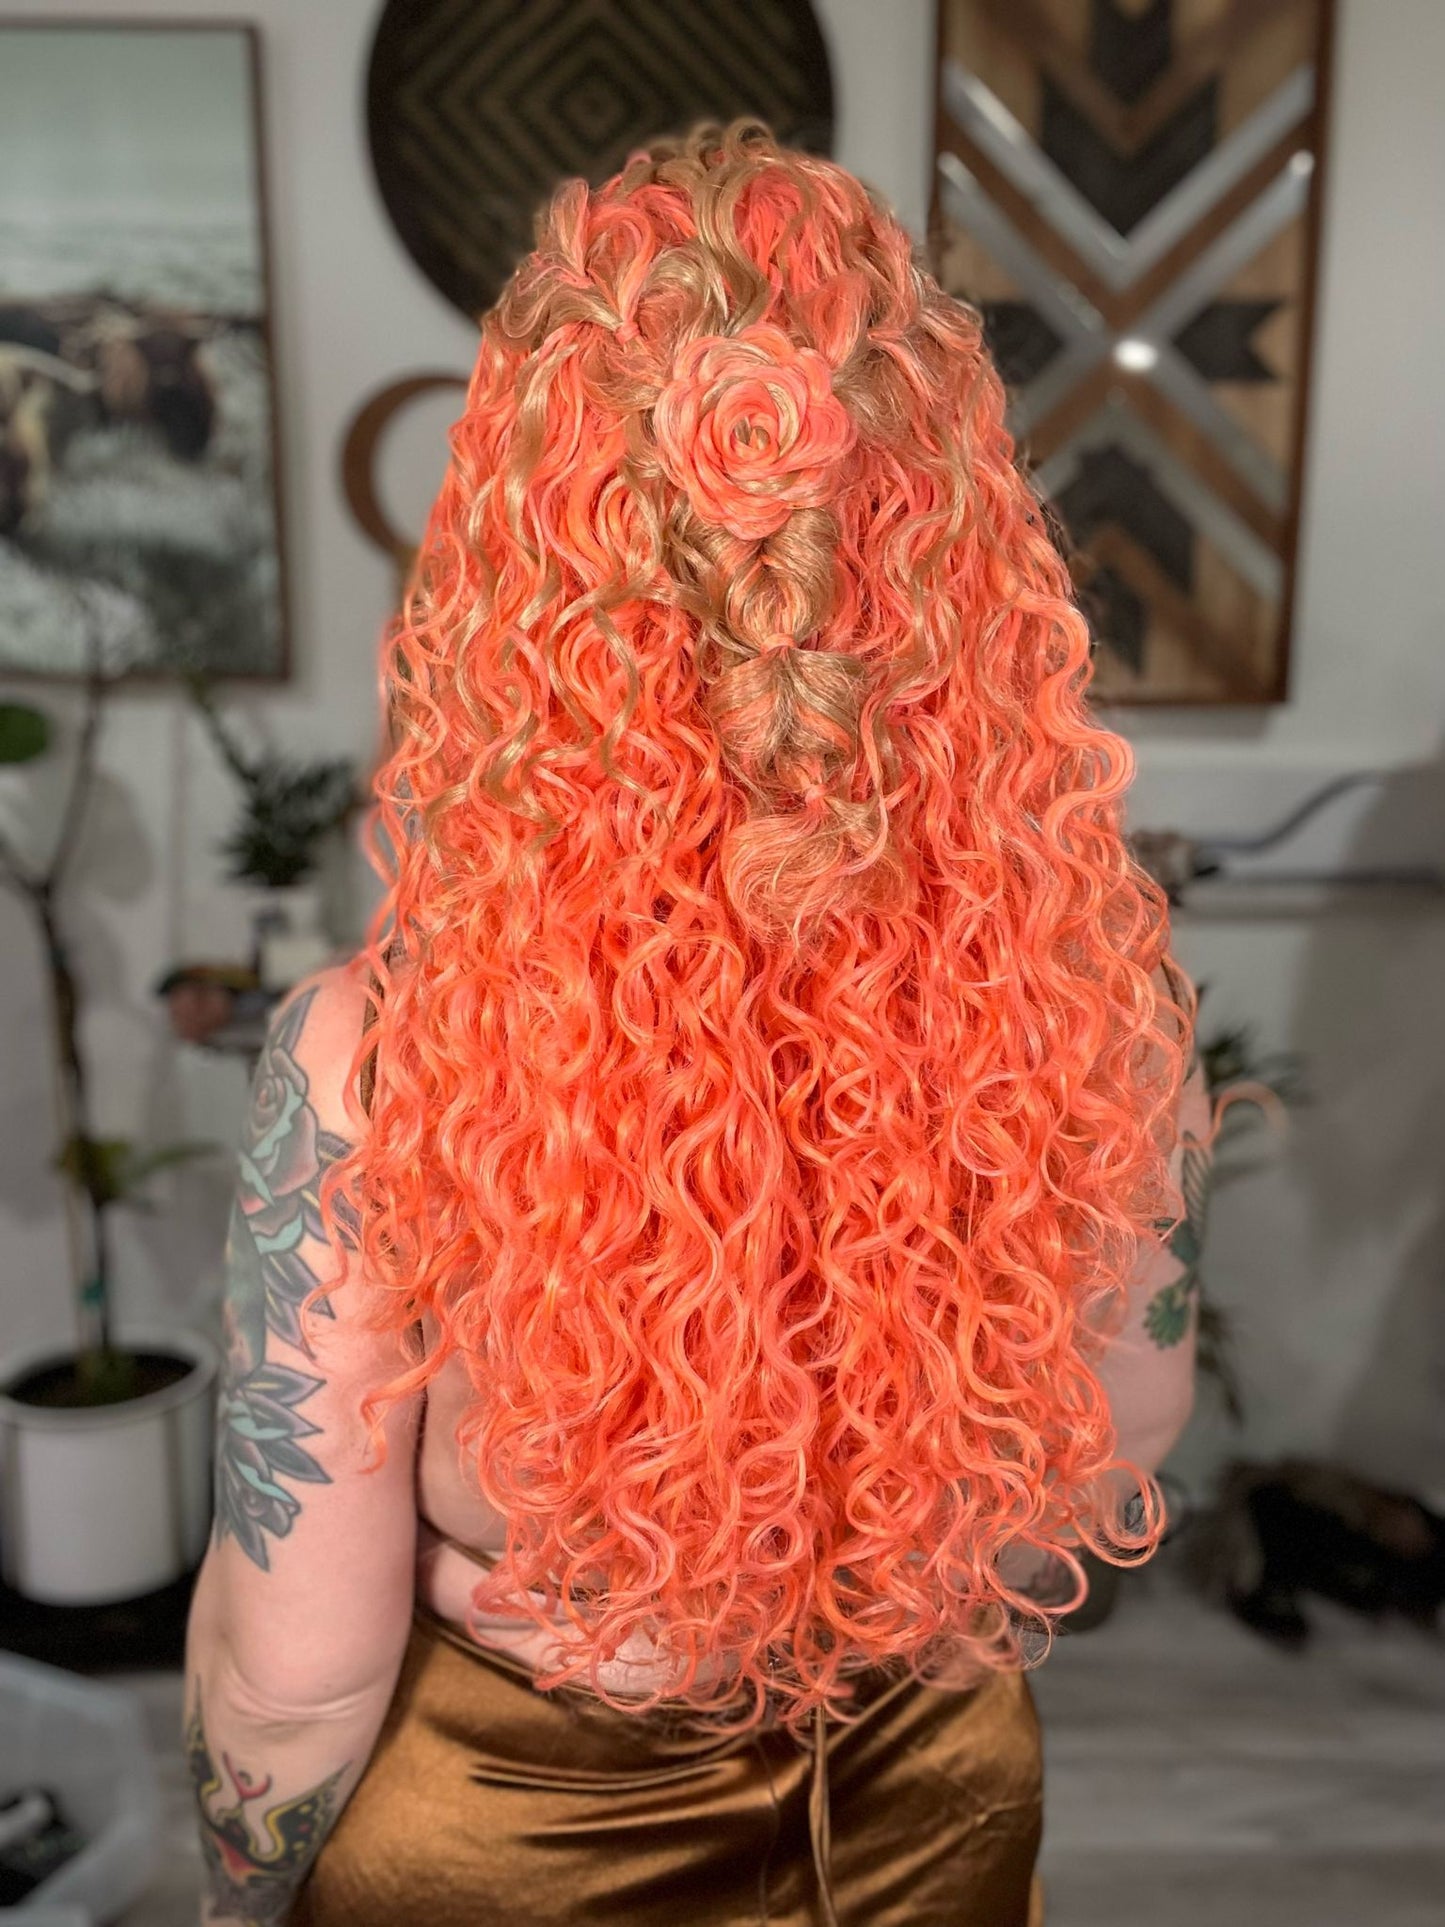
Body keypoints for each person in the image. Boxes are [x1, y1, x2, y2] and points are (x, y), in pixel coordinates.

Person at [183, 121, 1206, 1927]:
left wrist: (230, 1891)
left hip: (517, 1854)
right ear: (957, 549)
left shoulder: (381, 1059)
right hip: (923, 1818)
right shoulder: (1091, 998)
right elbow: (1102, 1461)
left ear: (518, 575)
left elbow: (294, 1675)